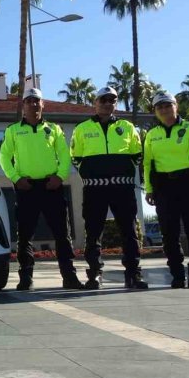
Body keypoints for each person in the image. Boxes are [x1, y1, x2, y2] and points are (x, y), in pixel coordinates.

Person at [0, 88, 83, 291]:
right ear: (23, 106)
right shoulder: (12, 130)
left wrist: (60, 177)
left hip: (51, 186)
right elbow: (4, 157)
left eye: (37, 101)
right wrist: (16, 178)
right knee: (24, 236)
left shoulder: (54, 129)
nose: (33, 104)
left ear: (42, 104)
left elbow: (64, 156)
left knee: (62, 234)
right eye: (29, 101)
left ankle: (69, 277)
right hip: (26, 188)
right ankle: (26, 278)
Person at [71, 86, 148, 290]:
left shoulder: (128, 127)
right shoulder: (82, 129)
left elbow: (137, 155)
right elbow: (75, 158)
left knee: (129, 232)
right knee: (93, 232)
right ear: (95, 103)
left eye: (112, 100)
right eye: (103, 100)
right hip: (94, 189)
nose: (107, 103)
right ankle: (94, 274)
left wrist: (122, 172)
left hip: (122, 189)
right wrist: (91, 174)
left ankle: (133, 274)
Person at [144, 92, 189, 288]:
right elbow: (148, 165)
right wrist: (149, 190)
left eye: (168, 106)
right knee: (169, 233)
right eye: (160, 107)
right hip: (164, 188)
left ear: (176, 106)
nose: (164, 110)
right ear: (155, 111)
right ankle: (176, 275)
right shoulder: (151, 135)